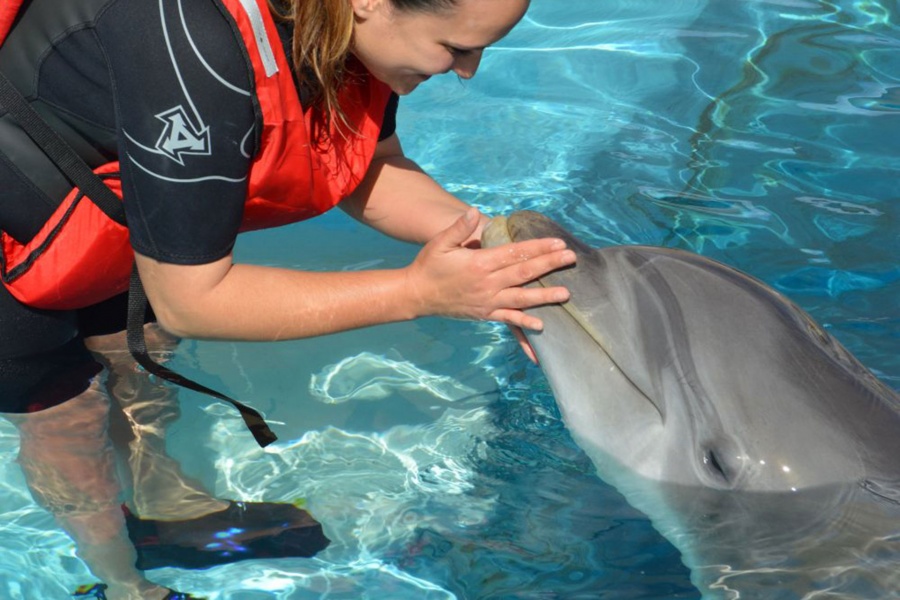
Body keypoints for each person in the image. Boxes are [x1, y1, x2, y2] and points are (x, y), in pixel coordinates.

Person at [0, 0, 575, 598]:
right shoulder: (188, 44)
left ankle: (165, 507)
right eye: (455, 49)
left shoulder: (336, 32)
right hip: (12, 253)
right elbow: (192, 301)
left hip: (104, 223)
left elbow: (370, 167)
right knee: (68, 419)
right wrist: (420, 292)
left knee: (137, 362)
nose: (468, 71)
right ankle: (119, 580)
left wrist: (502, 251)